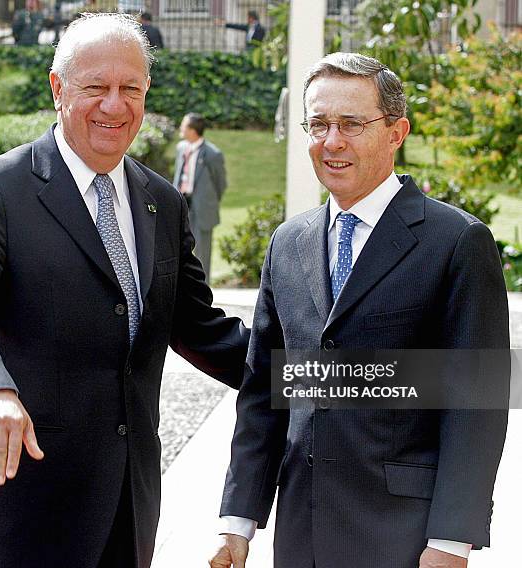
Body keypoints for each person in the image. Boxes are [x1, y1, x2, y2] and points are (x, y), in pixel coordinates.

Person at [0, 13, 249, 568]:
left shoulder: (163, 203)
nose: (115, 105)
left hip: (127, 509)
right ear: (58, 89)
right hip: (21, 505)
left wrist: (340, 378)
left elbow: (203, 330)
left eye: (131, 89)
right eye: (96, 87)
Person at [210, 52, 509, 568]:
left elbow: (477, 403)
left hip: (404, 538)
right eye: (319, 124)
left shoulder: (458, 241)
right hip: (301, 532)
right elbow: (265, 390)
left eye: (351, 124)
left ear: (397, 132)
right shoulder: (288, 243)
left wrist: (451, 541)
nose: (332, 141)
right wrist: (237, 523)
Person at [173, 113, 226, 283]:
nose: (180, 128)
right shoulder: (181, 148)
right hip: (182, 203)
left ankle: (203, 290)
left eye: (183, 125)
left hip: (202, 207)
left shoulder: (212, 154)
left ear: (193, 130)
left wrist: (209, 201)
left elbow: (220, 183)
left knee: (203, 250)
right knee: (179, 247)